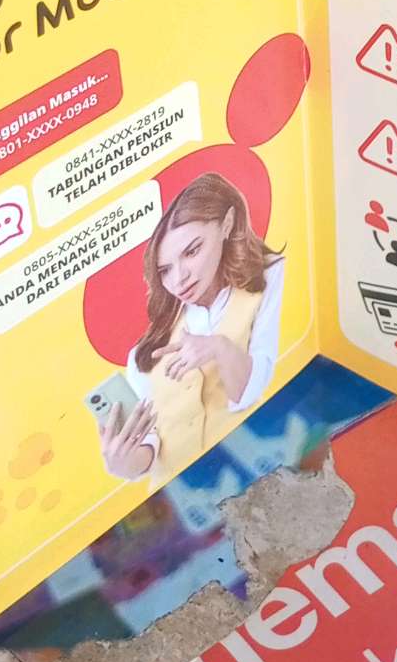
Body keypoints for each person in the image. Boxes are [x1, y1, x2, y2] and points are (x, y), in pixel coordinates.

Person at [96, 174, 285, 482]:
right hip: (182, 497)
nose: (179, 279)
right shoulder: (147, 351)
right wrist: (124, 464)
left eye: (192, 251)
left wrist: (219, 348)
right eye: (165, 270)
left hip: (257, 474)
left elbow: (250, 392)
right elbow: (151, 443)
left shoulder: (270, 276)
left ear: (227, 224)